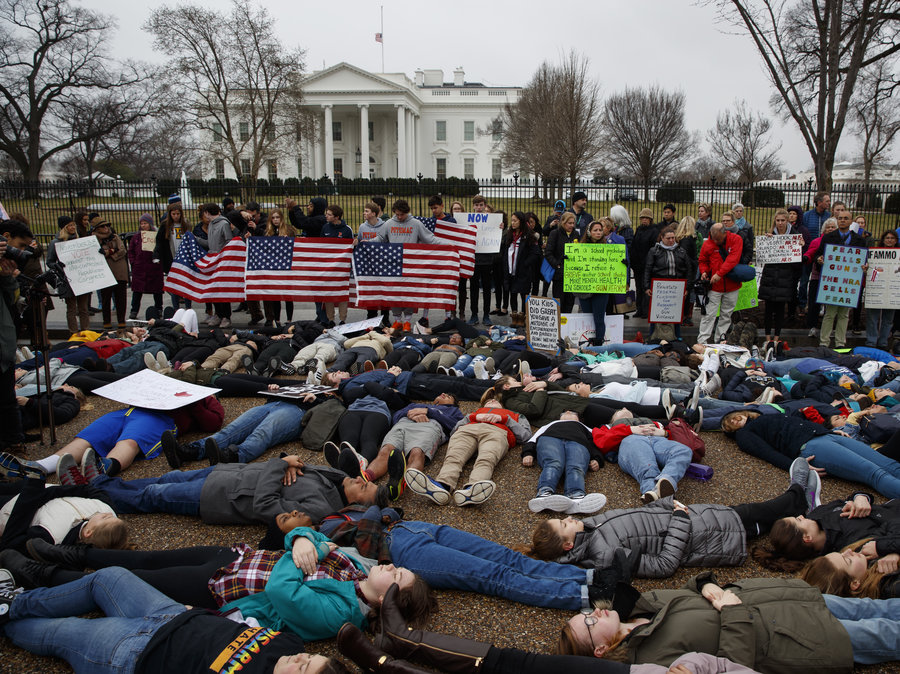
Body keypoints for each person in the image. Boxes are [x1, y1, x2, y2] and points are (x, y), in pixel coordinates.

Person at [0, 568, 341, 673]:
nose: (300, 658)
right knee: (108, 578)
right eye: (309, 658)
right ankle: (16, 603)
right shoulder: (289, 643)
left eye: (302, 669)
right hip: (171, 612)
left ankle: (6, 620)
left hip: (134, 652)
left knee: (61, 632)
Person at [528, 462, 817, 578]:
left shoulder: (591, 527)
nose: (568, 517)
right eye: (564, 524)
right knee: (761, 512)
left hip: (699, 520)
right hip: (705, 535)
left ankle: (798, 505)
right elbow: (664, 565)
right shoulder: (604, 555)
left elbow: (640, 516)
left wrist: (667, 503)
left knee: (759, 518)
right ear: (568, 545)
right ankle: (798, 493)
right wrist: (679, 517)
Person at [728, 410, 900, 498]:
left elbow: (801, 423)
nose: (735, 421)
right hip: (810, 447)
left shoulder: (761, 418)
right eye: (730, 424)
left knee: (888, 463)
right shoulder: (744, 434)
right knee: (874, 473)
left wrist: (831, 431)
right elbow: (766, 453)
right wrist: (795, 466)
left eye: (734, 417)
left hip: (824, 436)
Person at [405, 398, 532, 507]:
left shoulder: (514, 414)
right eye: (488, 401)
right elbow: (454, 430)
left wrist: (505, 419)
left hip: (497, 431)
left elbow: (525, 435)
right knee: (454, 457)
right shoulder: (475, 412)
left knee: (487, 459)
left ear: (502, 406)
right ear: (483, 406)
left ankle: (473, 488)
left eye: (495, 400)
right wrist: (473, 417)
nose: (492, 400)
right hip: (468, 430)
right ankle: (442, 486)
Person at [523, 411, 607, 514]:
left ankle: (576, 496)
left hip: (578, 441)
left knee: (576, 466)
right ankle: (544, 494)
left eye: (572, 412)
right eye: (564, 412)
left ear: (579, 419)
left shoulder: (584, 427)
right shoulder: (550, 424)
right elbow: (533, 440)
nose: (568, 411)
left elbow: (594, 442)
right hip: (550, 438)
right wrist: (528, 453)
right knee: (554, 463)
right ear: (559, 418)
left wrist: (597, 459)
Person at [819, 209, 868, 349]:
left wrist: (865, 267)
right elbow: (819, 254)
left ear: (851, 221)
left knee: (844, 314)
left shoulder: (859, 240)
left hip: (849, 282)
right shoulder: (828, 237)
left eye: (846, 218)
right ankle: (824, 342)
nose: (842, 220)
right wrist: (820, 259)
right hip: (832, 281)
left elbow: (864, 259)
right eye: (840, 218)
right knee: (830, 313)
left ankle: (840, 343)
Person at [758, 209, 802, 354]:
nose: (780, 223)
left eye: (783, 220)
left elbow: (798, 262)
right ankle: (768, 338)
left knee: (779, 310)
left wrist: (801, 246)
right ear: (775, 221)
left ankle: (776, 339)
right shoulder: (770, 235)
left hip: (785, 278)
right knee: (768, 310)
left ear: (787, 221)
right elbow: (762, 258)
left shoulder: (794, 236)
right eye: (778, 221)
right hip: (770, 277)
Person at [697, 222, 743, 344]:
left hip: (731, 285)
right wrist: (704, 272)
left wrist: (719, 273)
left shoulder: (736, 239)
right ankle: (703, 341)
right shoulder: (707, 244)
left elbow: (733, 259)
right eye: (714, 238)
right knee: (708, 314)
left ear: (725, 233)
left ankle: (720, 339)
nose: (716, 241)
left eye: (718, 238)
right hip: (714, 286)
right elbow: (702, 261)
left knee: (726, 314)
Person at [643, 225, 691, 340]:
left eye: (673, 238)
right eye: (668, 238)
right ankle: (653, 337)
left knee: (675, 314)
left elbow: (689, 270)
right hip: (659, 287)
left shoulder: (681, 251)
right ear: (662, 238)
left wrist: (687, 288)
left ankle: (677, 337)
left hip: (676, 287)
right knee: (656, 314)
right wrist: (646, 287)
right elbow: (648, 269)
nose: (671, 240)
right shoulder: (654, 251)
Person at [577, 220, 619, 345]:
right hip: (584, 289)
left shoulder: (608, 249)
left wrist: (621, 264)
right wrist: (569, 261)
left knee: (599, 318)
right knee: (587, 317)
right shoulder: (580, 247)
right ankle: (586, 343)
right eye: (595, 230)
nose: (598, 232)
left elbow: (613, 266)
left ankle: (599, 343)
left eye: (600, 230)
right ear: (589, 232)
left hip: (601, 289)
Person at [46, 216, 89, 333]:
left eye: (73, 225)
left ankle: (86, 331)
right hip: (67, 280)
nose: (73, 227)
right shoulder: (56, 243)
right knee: (71, 308)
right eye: (70, 225)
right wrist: (57, 266)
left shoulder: (79, 240)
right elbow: (49, 261)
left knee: (83, 308)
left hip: (81, 277)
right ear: (64, 228)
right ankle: (74, 332)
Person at [501, 211, 540, 328]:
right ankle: (514, 316)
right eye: (512, 220)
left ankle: (523, 317)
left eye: (515, 220)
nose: (512, 223)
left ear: (521, 222)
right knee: (512, 292)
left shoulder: (528, 236)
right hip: (510, 270)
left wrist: (525, 264)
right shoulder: (509, 235)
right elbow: (504, 250)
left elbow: (536, 253)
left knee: (524, 293)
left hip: (522, 271)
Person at [91, 217, 128, 332]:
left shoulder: (115, 237)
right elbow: (95, 253)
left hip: (119, 271)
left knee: (120, 297)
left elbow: (122, 250)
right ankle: (106, 321)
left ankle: (121, 320)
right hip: (105, 272)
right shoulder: (93, 240)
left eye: (107, 225)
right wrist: (113, 250)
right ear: (97, 228)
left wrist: (109, 252)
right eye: (102, 226)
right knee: (106, 298)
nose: (106, 228)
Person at [154, 202, 193, 309]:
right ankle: (176, 308)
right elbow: (159, 241)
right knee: (174, 285)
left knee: (186, 284)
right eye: (173, 214)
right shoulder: (165, 225)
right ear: (170, 214)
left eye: (178, 214)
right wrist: (156, 255)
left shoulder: (186, 224)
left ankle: (188, 308)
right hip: (171, 258)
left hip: (184, 258)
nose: (176, 216)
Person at [262, 207, 296, 327]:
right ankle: (276, 320)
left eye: (277, 217)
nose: (275, 220)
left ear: (281, 218)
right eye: (273, 218)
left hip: (286, 267)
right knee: (275, 295)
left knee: (288, 295)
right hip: (273, 267)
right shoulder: (268, 232)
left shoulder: (289, 230)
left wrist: (289, 240)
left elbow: (296, 246)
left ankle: (289, 319)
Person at [202, 203, 234, 328]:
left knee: (222, 290)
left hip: (221, 260)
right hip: (212, 260)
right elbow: (210, 243)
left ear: (207, 213)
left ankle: (226, 316)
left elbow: (228, 241)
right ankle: (218, 314)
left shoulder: (224, 224)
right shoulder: (210, 224)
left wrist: (222, 255)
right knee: (214, 290)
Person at [865, 229, 899, 349]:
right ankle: (871, 341)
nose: (889, 240)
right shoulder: (874, 253)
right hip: (876, 289)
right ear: (883, 240)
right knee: (872, 317)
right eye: (887, 238)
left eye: (892, 238)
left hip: (893, 291)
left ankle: (883, 342)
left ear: (896, 240)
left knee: (888, 319)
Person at [128, 213, 165, 320]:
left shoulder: (156, 236)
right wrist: (133, 262)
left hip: (154, 268)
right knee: (137, 291)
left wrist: (159, 261)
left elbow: (161, 249)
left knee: (157, 290)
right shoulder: (136, 237)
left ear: (150, 224)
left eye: (145, 223)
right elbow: (131, 251)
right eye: (141, 223)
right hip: (139, 268)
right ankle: (134, 310)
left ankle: (159, 309)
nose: (143, 225)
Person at [545, 212, 579, 313]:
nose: (572, 225)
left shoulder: (576, 234)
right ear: (563, 223)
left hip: (571, 274)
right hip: (559, 275)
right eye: (569, 223)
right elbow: (548, 252)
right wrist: (557, 265)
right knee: (559, 301)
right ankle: (559, 325)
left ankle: (566, 325)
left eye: (573, 223)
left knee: (570, 301)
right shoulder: (555, 234)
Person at [630, 209, 660, 318]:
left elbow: (653, 249)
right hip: (637, 265)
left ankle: (646, 310)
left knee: (645, 287)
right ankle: (639, 309)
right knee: (639, 287)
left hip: (647, 265)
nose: (644, 220)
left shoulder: (654, 231)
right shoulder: (638, 230)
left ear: (650, 220)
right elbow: (634, 245)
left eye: (646, 218)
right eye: (642, 218)